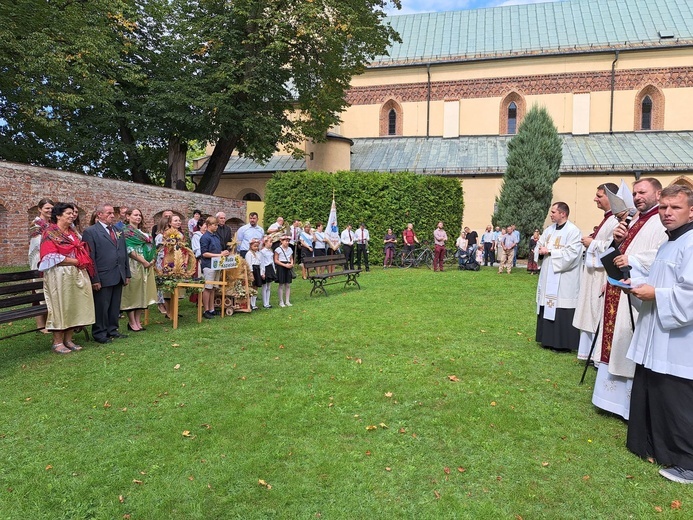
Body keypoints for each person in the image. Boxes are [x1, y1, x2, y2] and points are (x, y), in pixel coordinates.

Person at [625, 184, 693, 484]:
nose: (667, 213)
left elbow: (689, 295)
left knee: (676, 399)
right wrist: (639, 286)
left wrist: (657, 294)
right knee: (655, 390)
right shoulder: (670, 243)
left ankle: (687, 463)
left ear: (691, 210)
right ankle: (653, 446)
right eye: (664, 207)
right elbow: (661, 279)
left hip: (679, 340)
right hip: (658, 333)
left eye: (675, 208)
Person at [592, 178, 667, 419]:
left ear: (658, 194)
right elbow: (622, 249)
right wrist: (616, 240)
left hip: (637, 289)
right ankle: (609, 400)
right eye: (635, 193)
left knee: (627, 340)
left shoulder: (660, 221)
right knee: (615, 341)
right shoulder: (634, 219)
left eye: (642, 192)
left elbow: (661, 254)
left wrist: (632, 261)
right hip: (619, 287)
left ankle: (627, 404)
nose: (637, 197)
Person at [38, 202, 96, 354]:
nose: (72, 216)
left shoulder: (73, 232)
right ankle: (57, 342)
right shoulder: (50, 232)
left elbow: (80, 249)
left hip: (76, 274)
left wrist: (80, 260)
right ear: (58, 215)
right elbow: (50, 256)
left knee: (74, 306)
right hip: (59, 275)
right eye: (68, 213)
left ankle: (69, 339)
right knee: (60, 306)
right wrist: (77, 261)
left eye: (73, 213)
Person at [572, 183, 619, 360]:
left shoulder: (616, 220)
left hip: (602, 274)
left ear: (611, 198)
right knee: (590, 311)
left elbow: (614, 248)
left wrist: (592, 243)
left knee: (597, 312)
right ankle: (589, 353)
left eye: (599, 196)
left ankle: (597, 354)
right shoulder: (608, 218)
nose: (595, 199)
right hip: (593, 274)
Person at [534, 202, 584, 352]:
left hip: (564, 277)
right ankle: (547, 340)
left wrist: (550, 252)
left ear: (563, 214)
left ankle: (563, 344)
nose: (551, 214)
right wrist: (540, 250)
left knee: (562, 306)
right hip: (548, 274)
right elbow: (539, 246)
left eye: (554, 212)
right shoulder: (549, 230)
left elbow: (573, 254)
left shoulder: (573, 231)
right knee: (547, 304)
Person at [82, 204, 131, 344]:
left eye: (113, 213)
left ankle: (112, 329)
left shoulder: (117, 230)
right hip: (103, 275)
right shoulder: (91, 232)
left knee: (115, 305)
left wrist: (126, 273)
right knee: (102, 306)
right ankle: (100, 332)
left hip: (118, 273)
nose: (112, 216)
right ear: (99, 215)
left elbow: (123, 252)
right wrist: (94, 278)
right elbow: (90, 256)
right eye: (108, 213)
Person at [119, 208, 157, 332]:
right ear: (128, 216)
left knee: (142, 292)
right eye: (135, 215)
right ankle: (131, 322)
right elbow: (128, 249)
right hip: (135, 264)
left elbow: (151, 246)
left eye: (140, 215)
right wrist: (143, 261)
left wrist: (152, 260)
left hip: (146, 265)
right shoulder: (125, 231)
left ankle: (138, 320)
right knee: (133, 292)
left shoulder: (144, 232)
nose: (138, 217)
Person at [29, 197, 54, 333]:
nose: (50, 210)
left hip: (50, 260)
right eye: (47, 208)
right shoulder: (36, 224)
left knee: (49, 290)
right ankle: (40, 325)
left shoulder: (52, 223)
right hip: (39, 259)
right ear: (40, 209)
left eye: (51, 208)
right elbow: (36, 242)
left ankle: (49, 321)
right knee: (38, 291)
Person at [199, 216, 230, 319]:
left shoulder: (216, 236)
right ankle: (206, 310)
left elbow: (217, 251)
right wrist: (219, 255)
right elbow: (204, 254)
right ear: (208, 225)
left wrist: (223, 253)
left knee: (213, 288)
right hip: (208, 265)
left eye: (217, 225)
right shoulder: (205, 237)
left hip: (217, 265)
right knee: (207, 288)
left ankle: (212, 309)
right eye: (214, 225)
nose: (216, 226)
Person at [274, 235, 294, 307]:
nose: (287, 242)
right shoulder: (278, 249)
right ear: (281, 241)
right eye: (285, 241)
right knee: (281, 284)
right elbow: (276, 260)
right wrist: (284, 265)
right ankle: (281, 301)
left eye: (288, 241)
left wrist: (291, 263)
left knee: (288, 284)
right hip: (281, 266)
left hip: (288, 265)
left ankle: (287, 300)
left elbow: (291, 258)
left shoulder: (290, 249)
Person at [245, 238, 262, 310]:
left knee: (256, 287)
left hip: (257, 269)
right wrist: (251, 273)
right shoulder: (249, 254)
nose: (256, 248)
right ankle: (250, 303)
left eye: (257, 246)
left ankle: (254, 303)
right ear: (251, 246)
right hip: (252, 270)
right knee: (252, 286)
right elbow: (249, 264)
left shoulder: (258, 253)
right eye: (255, 246)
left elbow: (260, 262)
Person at [260, 236, 276, 308]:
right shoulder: (262, 252)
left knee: (269, 286)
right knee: (265, 286)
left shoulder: (270, 251)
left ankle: (268, 302)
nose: (271, 244)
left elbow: (272, 261)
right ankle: (264, 303)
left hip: (270, 268)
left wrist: (274, 269)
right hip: (265, 268)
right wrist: (262, 272)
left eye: (272, 242)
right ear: (265, 242)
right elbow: (262, 262)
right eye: (270, 242)